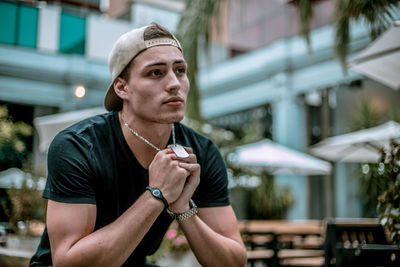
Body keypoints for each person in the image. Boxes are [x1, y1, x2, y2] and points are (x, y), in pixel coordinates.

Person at [29, 23, 247, 267]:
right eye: (156, 73)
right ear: (122, 87)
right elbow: (68, 263)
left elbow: (233, 262)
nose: (174, 83)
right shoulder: (78, 147)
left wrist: (183, 208)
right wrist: (156, 194)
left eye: (180, 70)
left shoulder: (202, 153)